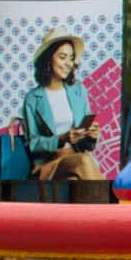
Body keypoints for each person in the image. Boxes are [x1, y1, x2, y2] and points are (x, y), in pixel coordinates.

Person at [20, 30, 103, 182]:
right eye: (62, 57)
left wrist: (91, 136)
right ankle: (109, 198)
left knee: (78, 173)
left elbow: (87, 145)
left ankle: (103, 197)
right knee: (84, 161)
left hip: (77, 158)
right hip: (51, 163)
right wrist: (62, 138)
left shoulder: (79, 91)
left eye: (71, 58)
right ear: (48, 59)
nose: (68, 64)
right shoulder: (32, 98)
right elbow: (32, 143)